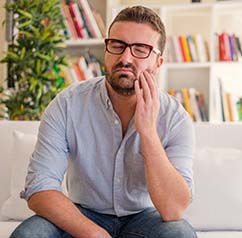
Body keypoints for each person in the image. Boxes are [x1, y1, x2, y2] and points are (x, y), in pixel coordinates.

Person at [10, 5, 197, 238]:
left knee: (180, 234)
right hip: (84, 213)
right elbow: (40, 188)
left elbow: (174, 209)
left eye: (141, 49)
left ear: (158, 63)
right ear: (106, 51)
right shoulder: (68, 104)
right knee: (28, 235)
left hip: (145, 218)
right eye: (117, 45)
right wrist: (93, 233)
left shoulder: (175, 118)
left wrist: (147, 131)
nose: (125, 58)